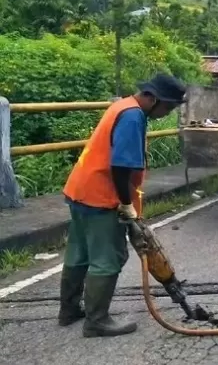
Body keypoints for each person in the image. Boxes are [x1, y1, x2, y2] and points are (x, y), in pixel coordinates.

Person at [59, 73, 186, 338]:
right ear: (152, 99)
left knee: (79, 254)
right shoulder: (133, 117)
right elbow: (120, 166)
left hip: (81, 190)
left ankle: (69, 310)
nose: (167, 113)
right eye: (168, 107)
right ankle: (97, 321)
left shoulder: (122, 105)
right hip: (102, 197)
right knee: (108, 259)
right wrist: (126, 205)